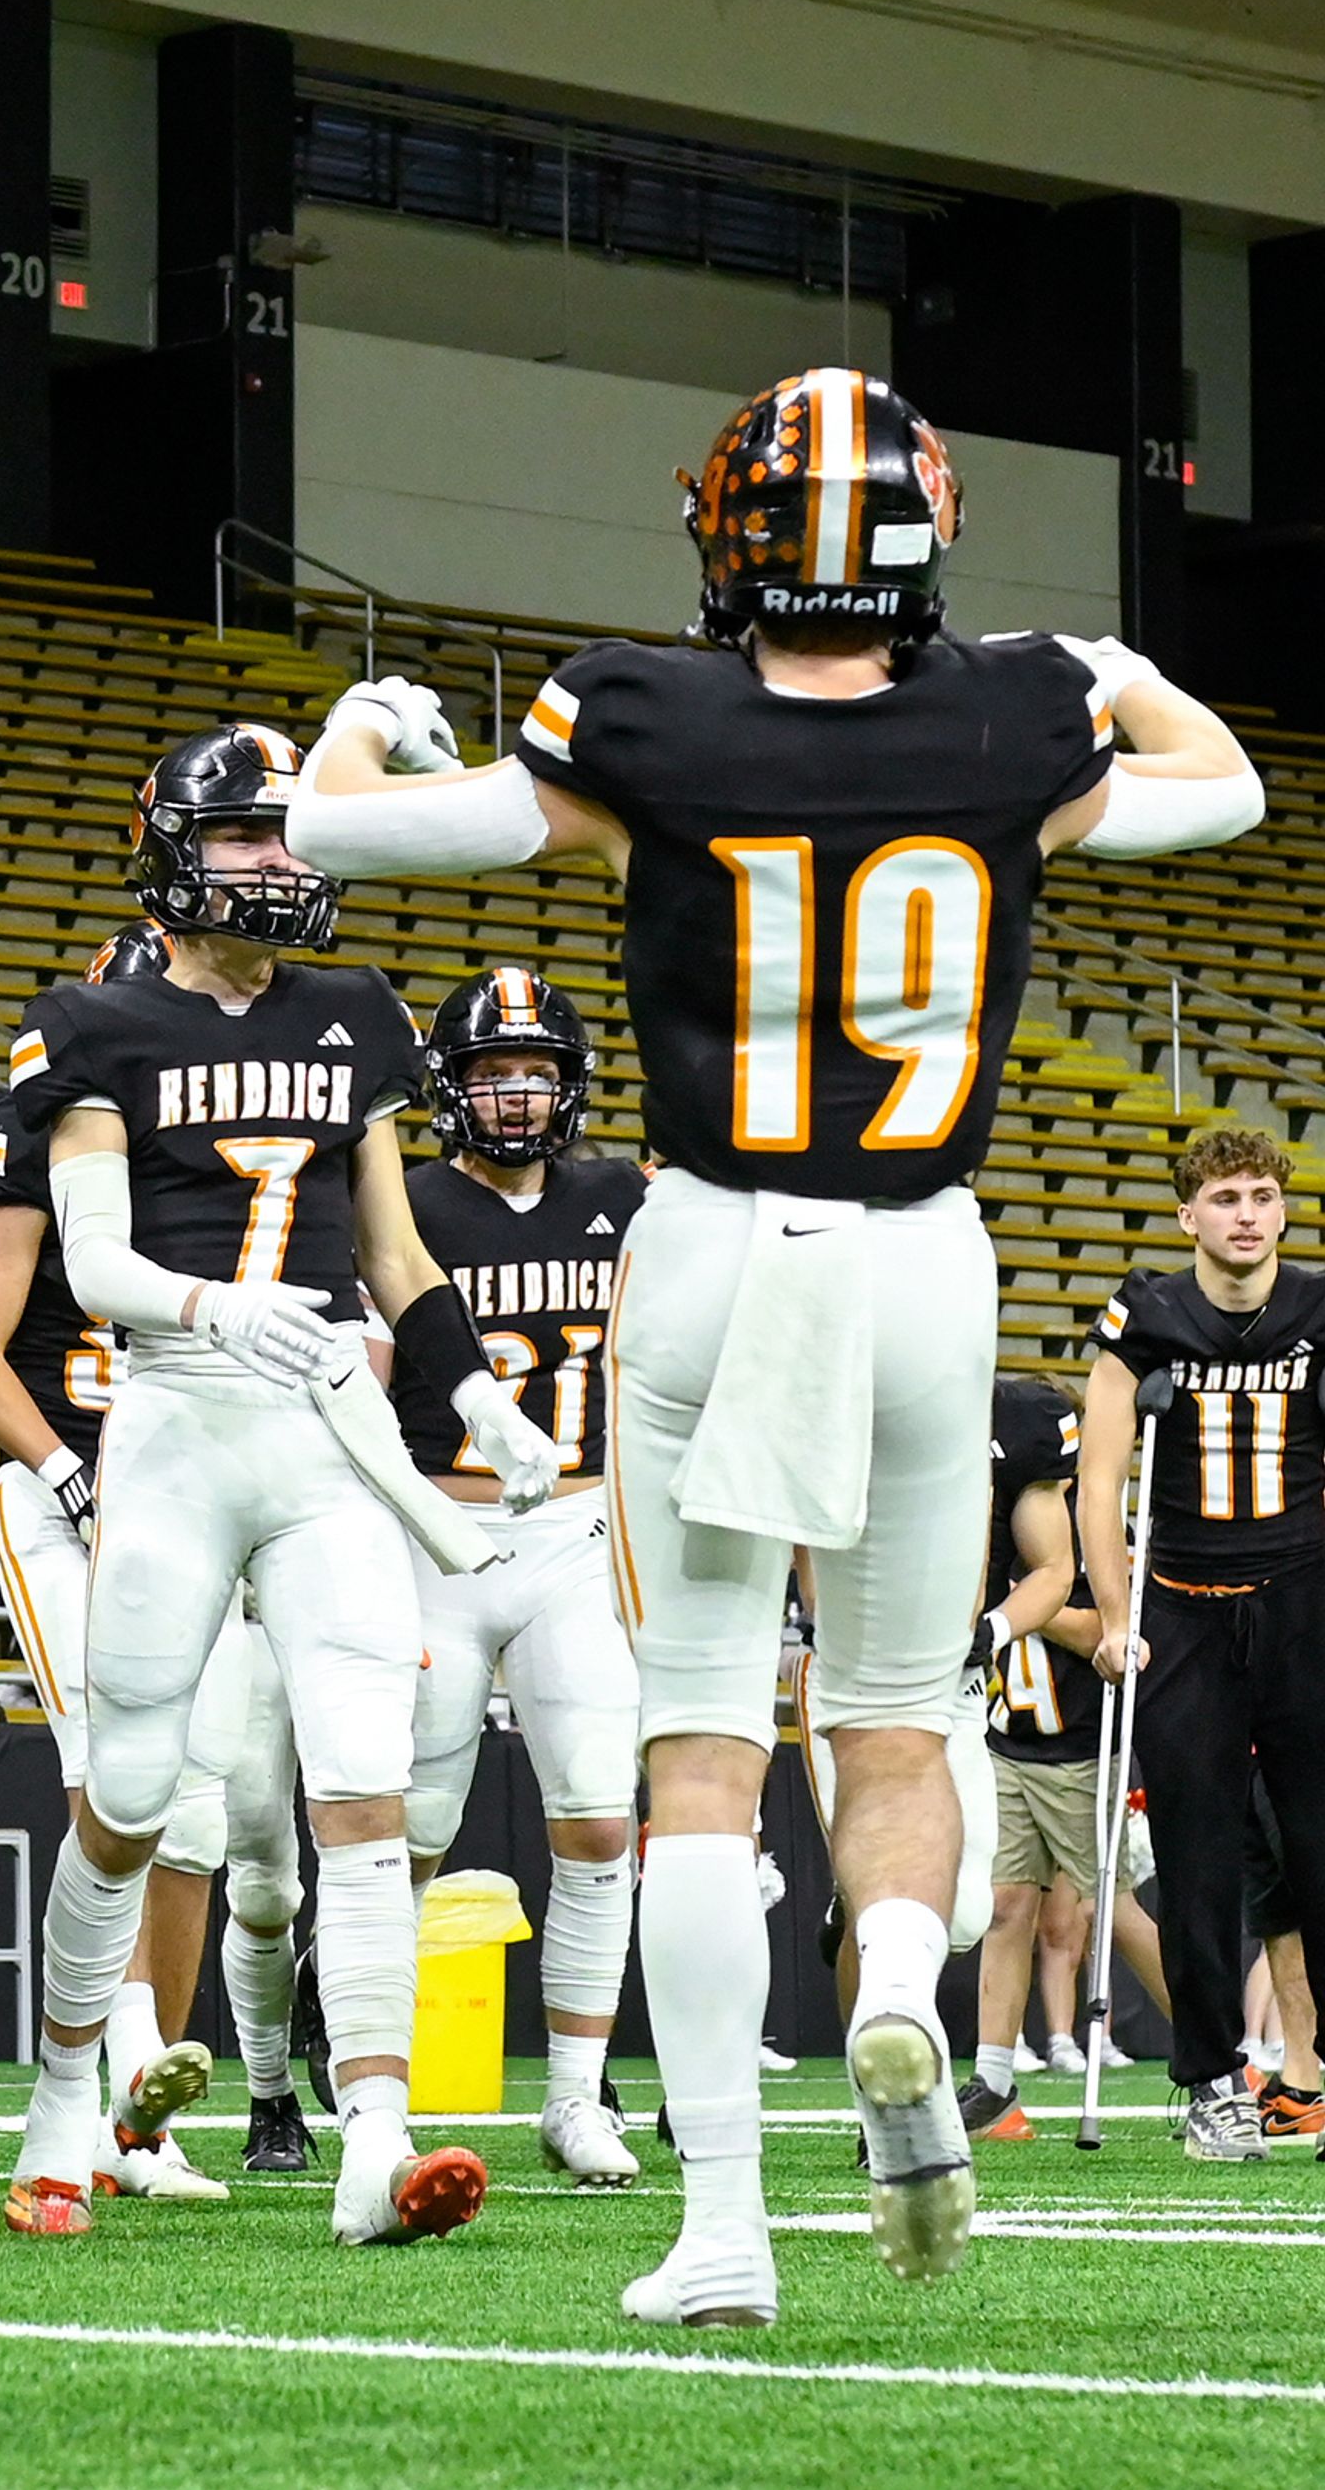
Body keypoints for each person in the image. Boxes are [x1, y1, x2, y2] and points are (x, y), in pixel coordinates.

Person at [291, 368, 1263, 2324]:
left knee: (706, 1745)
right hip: (928, 1254)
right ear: (932, 534)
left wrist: (365, 718)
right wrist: (1121, 655)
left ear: (727, 541)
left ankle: (724, 2228)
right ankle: (903, 1991)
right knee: (901, 1714)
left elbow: (339, 832)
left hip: (722, 1245)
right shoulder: (1017, 710)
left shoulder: (643, 707)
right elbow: (1226, 785)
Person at [7, 721, 552, 2252]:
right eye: (253, 834)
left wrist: (476, 1394)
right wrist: (204, 1308)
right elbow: (98, 1258)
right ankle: (63, 2109)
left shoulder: (357, 1011)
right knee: (125, 1801)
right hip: (178, 1429)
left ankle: (377, 2137)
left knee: (362, 1798)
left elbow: (395, 1253)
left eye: (293, 830)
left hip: (324, 1447)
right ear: (177, 850)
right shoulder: (93, 1024)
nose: (286, 856)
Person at [0, 916, 286, 2198]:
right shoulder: (40, 1135)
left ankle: (143, 2113)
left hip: (193, 1487)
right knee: (116, 1771)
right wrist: (64, 1470)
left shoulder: (234, 1171)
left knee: (198, 1808)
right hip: (67, 1488)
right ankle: (104, 2076)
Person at [389, 966, 647, 2187]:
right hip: (434, 1526)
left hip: (579, 1534)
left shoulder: (621, 1196)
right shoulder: (409, 1202)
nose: (515, 1095)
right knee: (411, 1829)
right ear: (453, 1084)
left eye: (537, 1071)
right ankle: (374, 2076)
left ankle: (577, 2097)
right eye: (494, 1072)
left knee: (600, 1817)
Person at [1082, 1123, 1325, 2162]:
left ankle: (1314, 2079)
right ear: (1190, 1215)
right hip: (1182, 1605)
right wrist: (1116, 1615)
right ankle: (1213, 2082)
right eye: (1226, 1198)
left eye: (1263, 1198)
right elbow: (1098, 1481)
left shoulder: (1320, 1309)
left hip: (1304, 1597)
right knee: (1195, 1858)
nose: (1247, 1216)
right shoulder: (1146, 1314)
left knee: (1319, 1845)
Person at [963, 1372, 1098, 2141]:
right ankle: (992, 2080)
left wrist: (1021, 1608)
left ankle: (1215, 2063)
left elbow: (1098, 1627)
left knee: (1118, 1918)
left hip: (1078, 1744)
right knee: (1006, 1905)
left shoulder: (1083, 1519)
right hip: (1008, 1737)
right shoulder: (1005, 1512)